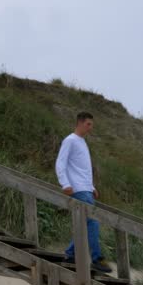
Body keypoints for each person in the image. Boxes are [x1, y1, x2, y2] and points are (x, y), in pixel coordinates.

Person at [56, 111, 113, 273]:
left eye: (91, 125)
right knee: (93, 222)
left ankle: (70, 253)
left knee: (85, 224)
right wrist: (65, 183)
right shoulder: (70, 140)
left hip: (85, 189)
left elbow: (82, 169)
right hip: (77, 189)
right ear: (80, 123)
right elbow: (60, 163)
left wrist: (92, 187)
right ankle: (97, 258)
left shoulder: (82, 142)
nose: (90, 128)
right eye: (88, 124)